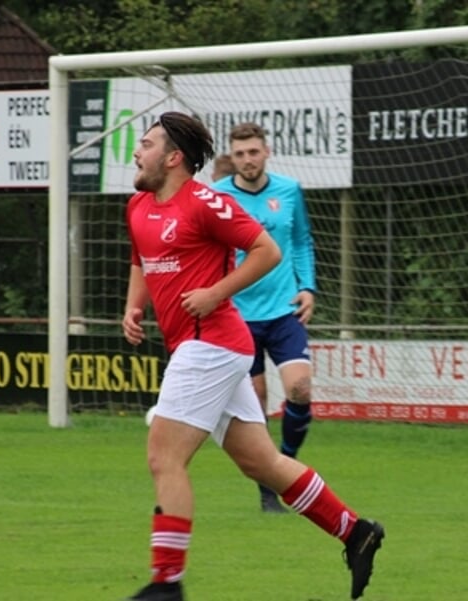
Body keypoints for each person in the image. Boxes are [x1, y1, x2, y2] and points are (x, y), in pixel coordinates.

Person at [121, 111, 383, 601]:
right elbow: (141, 257)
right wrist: (134, 306)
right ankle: (356, 532)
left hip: (212, 345)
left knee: (164, 457)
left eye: (148, 143)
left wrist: (216, 292)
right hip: (200, 348)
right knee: (262, 463)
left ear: (174, 158)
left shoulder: (204, 203)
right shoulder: (138, 206)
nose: (138, 151)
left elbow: (266, 251)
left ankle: (166, 583)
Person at [211, 122, 318, 514]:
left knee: (300, 391)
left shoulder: (288, 191)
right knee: (255, 402)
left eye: (253, 152)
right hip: (237, 316)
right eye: (240, 154)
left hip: (284, 309)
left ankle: (284, 462)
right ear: (232, 157)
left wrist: (308, 286)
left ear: (266, 152)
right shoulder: (217, 196)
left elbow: (303, 240)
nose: (247, 160)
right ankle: (268, 486)